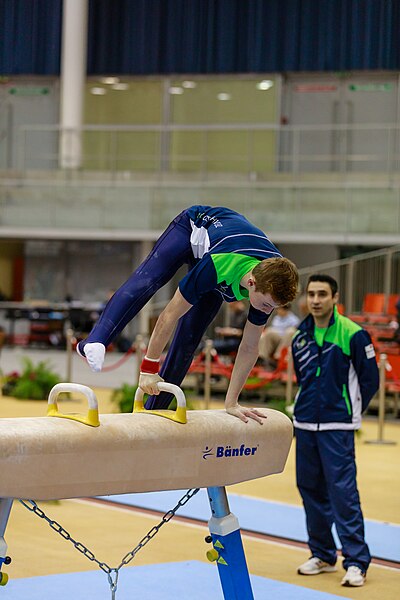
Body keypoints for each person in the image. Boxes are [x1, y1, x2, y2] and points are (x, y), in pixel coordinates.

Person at [77, 205, 299, 423]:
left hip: (224, 251)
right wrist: (148, 368)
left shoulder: (274, 283)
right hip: (192, 228)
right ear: (251, 283)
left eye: (273, 307)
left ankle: (154, 412)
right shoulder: (220, 266)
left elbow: (250, 346)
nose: (268, 310)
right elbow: (168, 315)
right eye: (267, 304)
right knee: (148, 281)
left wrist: (231, 402)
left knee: (190, 338)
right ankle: (94, 340)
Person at [292, 274, 379, 587]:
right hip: (304, 424)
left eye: (322, 294)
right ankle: (323, 554)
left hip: (337, 426)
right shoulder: (299, 335)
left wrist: (349, 410)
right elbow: (302, 377)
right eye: (311, 294)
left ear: (334, 298)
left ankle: (356, 560)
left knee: (342, 492)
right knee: (310, 490)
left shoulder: (354, 335)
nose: (315, 300)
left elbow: (370, 382)